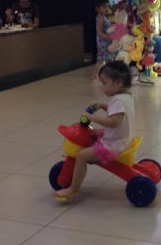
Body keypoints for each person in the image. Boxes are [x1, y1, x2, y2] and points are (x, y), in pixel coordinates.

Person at [55, 61, 134, 200]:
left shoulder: (117, 101)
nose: (102, 87)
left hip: (113, 145)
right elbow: (118, 113)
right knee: (93, 133)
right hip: (122, 138)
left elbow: (114, 122)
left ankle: (74, 189)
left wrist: (92, 117)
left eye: (104, 83)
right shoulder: (126, 96)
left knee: (81, 156)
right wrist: (102, 106)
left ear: (118, 83)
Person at [93, 0, 115, 80]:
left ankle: (108, 74)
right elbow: (98, 31)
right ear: (97, 9)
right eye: (104, 7)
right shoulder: (101, 18)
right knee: (102, 59)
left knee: (107, 58)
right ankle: (95, 75)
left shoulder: (103, 17)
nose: (106, 9)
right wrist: (107, 37)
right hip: (103, 42)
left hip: (106, 41)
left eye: (107, 6)